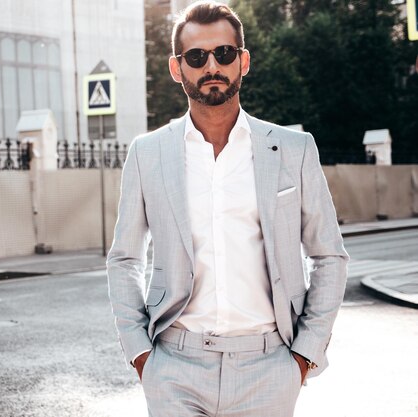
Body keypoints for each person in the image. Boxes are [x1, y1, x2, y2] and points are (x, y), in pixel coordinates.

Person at [106, 1, 349, 416]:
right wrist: (141, 356)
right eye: (197, 57)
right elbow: (125, 258)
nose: (212, 66)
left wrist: (303, 357)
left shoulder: (294, 150)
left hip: (269, 367)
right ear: (177, 68)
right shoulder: (148, 154)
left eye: (224, 53)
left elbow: (329, 255)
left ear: (244, 61)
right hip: (175, 367)